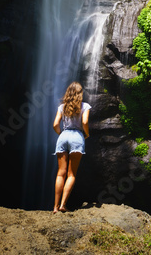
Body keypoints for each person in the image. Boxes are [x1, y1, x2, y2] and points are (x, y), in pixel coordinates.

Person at [52, 81, 90, 213]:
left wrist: (61, 133)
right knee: (71, 174)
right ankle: (63, 205)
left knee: (60, 173)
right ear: (80, 94)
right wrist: (87, 133)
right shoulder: (85, 106)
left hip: (63, 137)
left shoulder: (62, 107)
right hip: (77, 137)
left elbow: (55, 124)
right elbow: (84, 121)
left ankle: (55, 207)